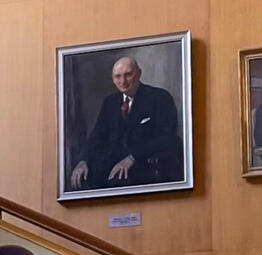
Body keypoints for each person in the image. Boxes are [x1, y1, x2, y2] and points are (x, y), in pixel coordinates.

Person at [70, 57, 182, 190]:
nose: (122, 81)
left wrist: (132, 158)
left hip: (144, 165)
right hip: (111, 168)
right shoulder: (110, 102)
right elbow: (97, 136)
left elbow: (167, 137)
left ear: (139, 73)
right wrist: (84, 160)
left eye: (128, 75)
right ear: (112, 78)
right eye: (118, 76)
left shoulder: (160, 97)